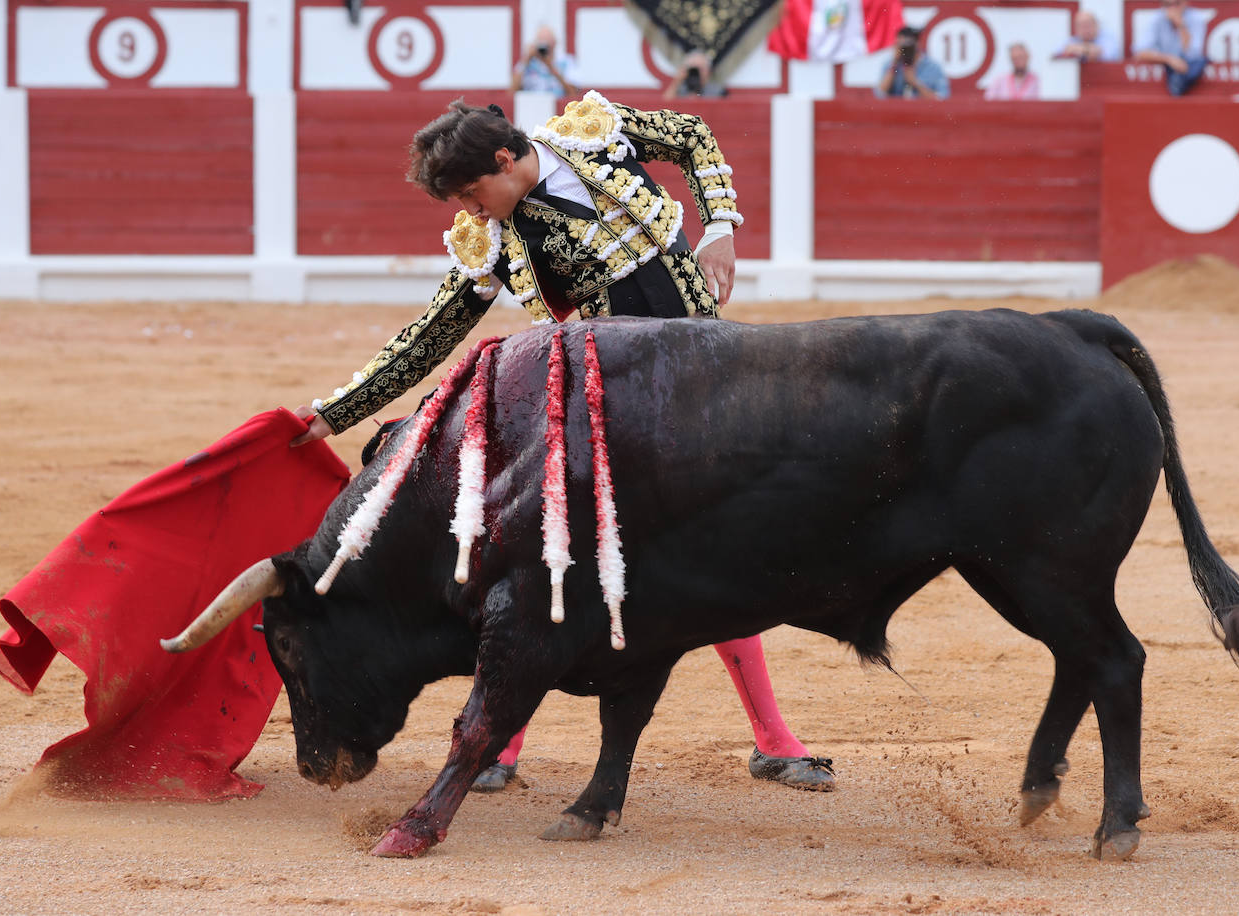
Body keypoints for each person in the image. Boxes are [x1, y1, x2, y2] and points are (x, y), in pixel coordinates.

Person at [290, 94, 836, 794]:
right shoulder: (492, 238)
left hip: (705, 384)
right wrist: (336, 412)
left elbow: (693, 136)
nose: (470, 210)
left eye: (470, 191)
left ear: (504, 158)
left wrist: (720, 226)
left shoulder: (596, 135)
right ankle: (502, 746)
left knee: (719, 554)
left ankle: (773, 740)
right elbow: (431, 334)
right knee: (554, 561)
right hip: (607, 412)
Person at [1133, 0, 1209, 96]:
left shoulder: (1196, 19)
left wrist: (1181, 25)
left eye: (1177, 3)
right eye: (1167, 4)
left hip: (1189, 77)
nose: (1172, 8)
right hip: (1163, 75)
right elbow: (1139, 52)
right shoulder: (1156, 19)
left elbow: (1192, 55)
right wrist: (1169, 59)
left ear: (1186, 2)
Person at [877, 26, 950, 99]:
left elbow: (942, 97)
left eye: (909, 45)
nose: (906, 50)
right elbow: (880, 94)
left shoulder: (933, 67)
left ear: (917, 43)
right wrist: (895, 63)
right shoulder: (890, 65)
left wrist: (915, 82)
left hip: (923, 109)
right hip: (897, 109)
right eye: (902, 46)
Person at [510, 24, 579, 96]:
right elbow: (512, 92)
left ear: (555, 43)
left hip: (558, 105)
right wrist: (526, 59)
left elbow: (573, 93)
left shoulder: (566, 62)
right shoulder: (527, 63)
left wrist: (551, 67)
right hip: (530, 104)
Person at [1054, 10, 1122, 62]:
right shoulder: (1072, 40)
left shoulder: (1108, 38)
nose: (1084, 29)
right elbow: (1057, 54)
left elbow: (1107, 55)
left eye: (1087, 24)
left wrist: (1078, 50)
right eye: (1080, 25)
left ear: (1096, 25)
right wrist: (1087, 50)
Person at [662, 49, 727, 99]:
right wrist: (677, 80)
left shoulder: (717, 92)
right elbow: (666, 106)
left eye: (700, 69)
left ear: (708, 71)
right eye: (693, 69)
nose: (696, 72)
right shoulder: (680, 90)